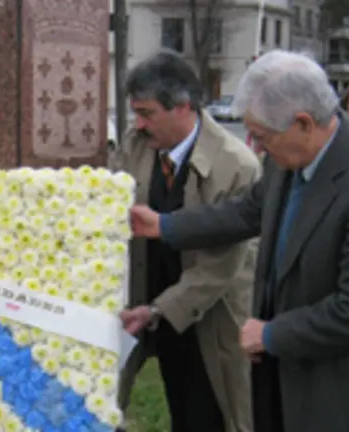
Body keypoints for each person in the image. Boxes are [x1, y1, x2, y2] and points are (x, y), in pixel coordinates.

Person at [128, 50, 349, 432]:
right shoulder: (290, 158)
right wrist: (164, 226)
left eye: (261, 137)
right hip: (294, 374)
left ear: (303, 123)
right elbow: (244, 213)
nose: (256, 148)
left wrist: (272, 334)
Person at [110, 50, 260, 432]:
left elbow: (220, 268)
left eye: (147, 113)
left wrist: (159, 310)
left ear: (182, 107)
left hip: (206, 316)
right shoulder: (135, 144)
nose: (139, 125)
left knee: (202, 416)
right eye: (136, 113)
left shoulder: (237, 166)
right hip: (142, 305)